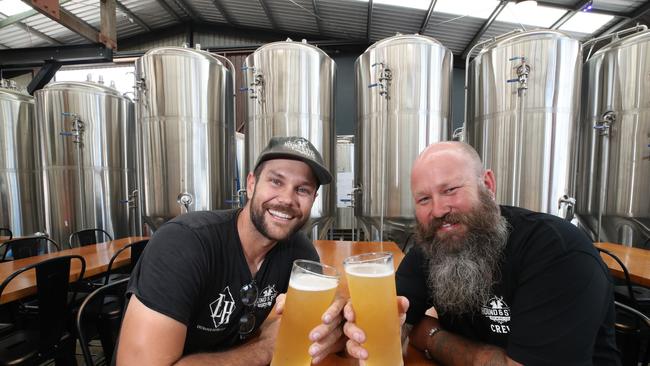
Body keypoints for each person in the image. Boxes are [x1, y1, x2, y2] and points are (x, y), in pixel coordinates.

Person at [344, 141, 620, 365]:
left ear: (487, 184)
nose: (438, 210)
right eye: (424, 199)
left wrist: (430, 335)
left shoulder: (556, 252)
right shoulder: (436, 242)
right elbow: (392, 323)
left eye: (450, 190)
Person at [117, 136, 345, 365]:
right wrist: (265, 348)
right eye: (276, 181)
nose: (287, 199)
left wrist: (337, 325)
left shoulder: (298, 250)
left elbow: (321, 326)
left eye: (302, 190)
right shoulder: (184, 243)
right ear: (251, 184)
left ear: (313, 199)